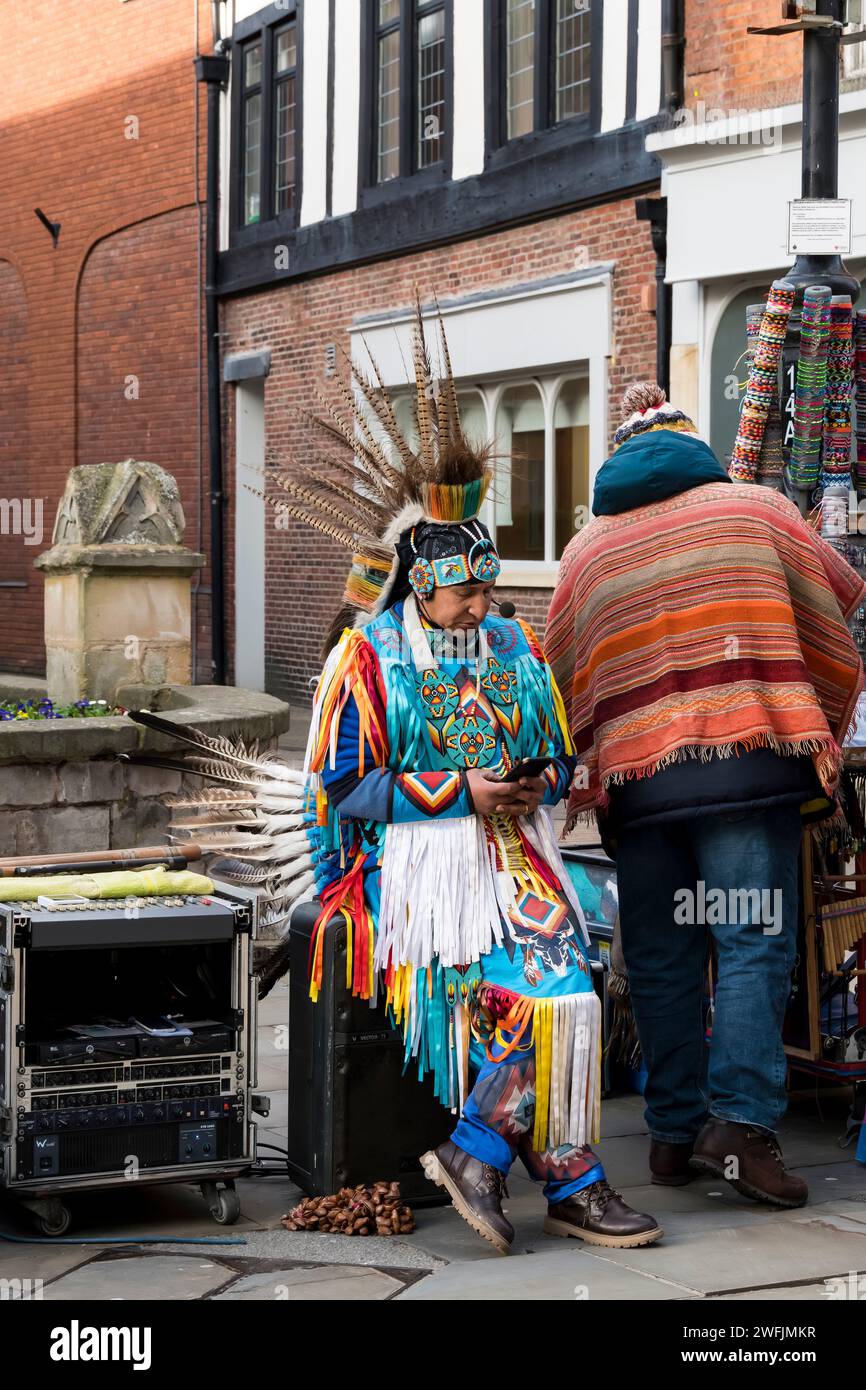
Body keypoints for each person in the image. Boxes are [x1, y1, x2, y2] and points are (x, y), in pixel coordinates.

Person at [292, 311, 662, 1252]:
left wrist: (539, 777)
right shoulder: (370, 657)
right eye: (464, 594)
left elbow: (553, 742)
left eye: (489, 590)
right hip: (410, 870)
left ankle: (511, 1160)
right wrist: (461, 793)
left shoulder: (508, 641)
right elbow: (344, 787)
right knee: (538, 996)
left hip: (514, 850)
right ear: (420, 588)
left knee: (579, 981)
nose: (483, 608)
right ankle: (548, 1172)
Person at [546, 381, 866, 1209]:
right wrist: (807, 710)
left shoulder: (586, 553)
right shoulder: (757, 510)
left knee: (662, 955)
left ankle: (673, 1133)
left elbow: (559, 669)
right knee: (754, 941)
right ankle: (743, 1129)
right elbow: (835, 607)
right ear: (696, 448)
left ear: (617, 460)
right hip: (745, 770)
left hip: (640, 790)